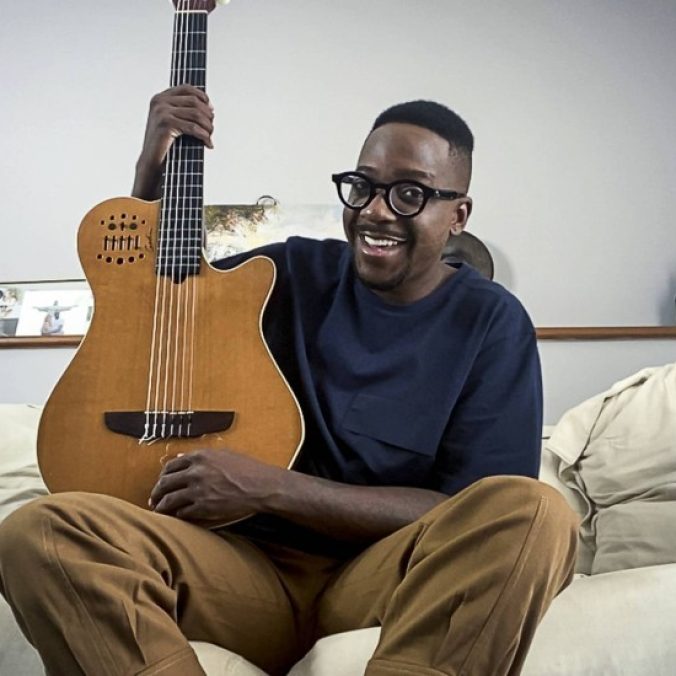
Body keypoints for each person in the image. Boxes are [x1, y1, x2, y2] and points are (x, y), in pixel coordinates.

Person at [0, 85, 578, 676]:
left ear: (458, 215)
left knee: (535, 512)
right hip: (241, 571)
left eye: (410, 194)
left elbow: (467, 509)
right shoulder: (288, 272)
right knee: (37, 532)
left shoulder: (491, 322)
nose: (376, 211)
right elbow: (152, 299)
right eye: (363, 186)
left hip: (381, 577)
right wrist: (152, 169)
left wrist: (272, 488)